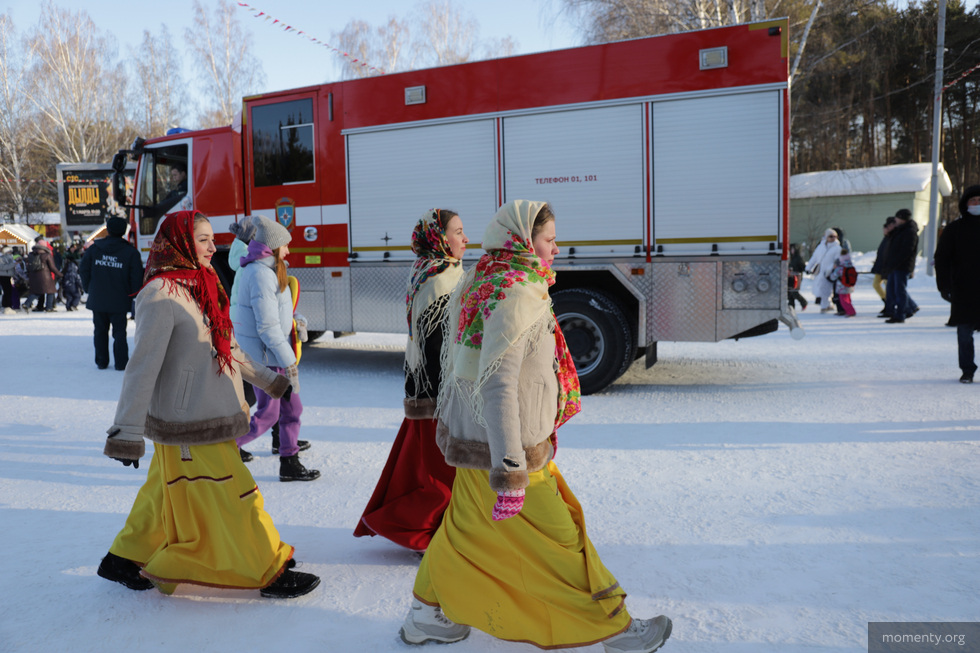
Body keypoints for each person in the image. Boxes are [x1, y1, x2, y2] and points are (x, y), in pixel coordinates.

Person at [400, 200, 672, 653]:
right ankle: (617, 630)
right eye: (548, 239)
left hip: (473, 439)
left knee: (459, 529)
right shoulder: (515, 294)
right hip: (508, 446)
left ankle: (423, 615)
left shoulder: (484, 277)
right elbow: (499, 384)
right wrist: (510, 473)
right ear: (525, 242)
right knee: (562, 538)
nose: (555, 247)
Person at [96, 210, 319, 599]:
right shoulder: (160, 293)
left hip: (210, 407)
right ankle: (267, 567)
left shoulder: (205, 280)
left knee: (161, 491)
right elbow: (141, 368)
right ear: (178, 242)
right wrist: (126, 432)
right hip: (190, 421)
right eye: (201, 239)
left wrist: (269, 380)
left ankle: (123, 557)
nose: (212, 246)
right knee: (237, 494)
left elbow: (228, 346)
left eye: (211, 238)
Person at [354, 208, 467, 552]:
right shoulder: (439, 280)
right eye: (458, 232)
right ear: (439, 238)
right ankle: (426, 533)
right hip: (437, 390)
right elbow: (437, 344)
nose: (465, 239)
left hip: (425, 386)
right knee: (439, 472)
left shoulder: (433, 270)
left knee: (422, 465)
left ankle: (437, 529)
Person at [232, 215, 320, 482]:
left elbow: (277, 314)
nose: (289, 250)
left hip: (272, 355)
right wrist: (289, 360)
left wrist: (295, 321)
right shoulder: (260, 274)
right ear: (272, 247)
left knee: (292, 409)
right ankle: (222, 447)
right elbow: (267, 327)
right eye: (286, 245)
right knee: (268, 413)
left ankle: (289, 462)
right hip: (266, 358)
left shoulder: (269, 270)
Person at [79, 217, 144, 370]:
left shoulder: (95, 249)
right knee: (120, 332)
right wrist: (134, 295)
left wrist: (89, 288)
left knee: (100, 331)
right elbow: (136, 277)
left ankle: (101, 361)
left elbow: (83, 270)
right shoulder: (130, 252)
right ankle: (121, 363)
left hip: (98, 298)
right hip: (120, 300)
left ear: (108, 229)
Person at [934, 184, 980, 383]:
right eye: (973, 201)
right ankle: (967, 370)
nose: (977, 204)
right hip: (964, 289)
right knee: (964, 333)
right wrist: (944, 286)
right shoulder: (954, 229)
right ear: (965, 204)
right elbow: (942, 259)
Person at [881, 208, 919, 324]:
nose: (895, 220)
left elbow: (906, 251)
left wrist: (895, 262)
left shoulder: (909, 231)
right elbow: (892, 244)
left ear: (902, 218)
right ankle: (908, 309)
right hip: (894, 266)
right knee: (892, 290)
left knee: (899, 291)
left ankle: (900, 314)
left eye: (897, 217)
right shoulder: (900, 230)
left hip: (901, 266)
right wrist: (888, 234)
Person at [805, 229, 841, 312]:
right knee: (821, 288)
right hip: (820, 272)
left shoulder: (837, 248)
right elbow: (814, 258)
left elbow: (838, 261)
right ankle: (828, 304)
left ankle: (824, 306)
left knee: (826, 289)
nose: (833, 238)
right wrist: (808, 267)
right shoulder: (821, 247)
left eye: (835, 236)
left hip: (830, 273)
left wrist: (830, 269)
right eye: (831, 236)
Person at [24, 238, 62, 312]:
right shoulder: (47, 255)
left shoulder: (31, 254)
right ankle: (49, 307)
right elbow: (52, 267)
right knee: (50, 291)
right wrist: (60, 274)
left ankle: (27, 303)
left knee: (37, 292)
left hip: (34, 276)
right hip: (45, 277)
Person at [870, 217, 896, 317]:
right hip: (880, 267)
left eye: (886, 228)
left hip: (887, 268)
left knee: (889, 287)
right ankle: (887, 302)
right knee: (876, 284)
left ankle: (890, 305)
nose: (884, 230)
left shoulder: (892, 238)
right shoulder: (886, 238)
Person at [829, 248, 857, 317]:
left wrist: (834, 269)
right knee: (848, 299)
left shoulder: (840, 267)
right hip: (850, 286)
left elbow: (833, 277)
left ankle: (851, 312)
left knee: (843, 300)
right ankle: (849, 310)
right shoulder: (851, 266)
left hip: (842, 287)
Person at [60, 243, 84, 312]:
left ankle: (68, 307)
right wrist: (81, 288)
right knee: (77, 296)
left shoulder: (66, 271)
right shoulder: (74, 273)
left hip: (67, 284)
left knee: (69, 297)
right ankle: (73, 305)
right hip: (73, 285)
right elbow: (78, 280)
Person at [787, 243, 807, 311]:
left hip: (797, 277)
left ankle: (804, 302)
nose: (792, 250)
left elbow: (803, 267)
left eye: (793, 249)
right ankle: (791, 306)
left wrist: (796, 270)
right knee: (789, 291)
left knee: (795, 292)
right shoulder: (791, 257)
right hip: (791, 276)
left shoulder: (798, 258)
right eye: (791, 249)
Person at [0, 246, 15, 314]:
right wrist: (14, 264)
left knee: (8, 291)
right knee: (6, 291)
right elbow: (2, 267)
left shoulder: (11, 257)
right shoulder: (2, 258)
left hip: (8, 276)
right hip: (3, 276)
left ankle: (8, 304)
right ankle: (6, 305)